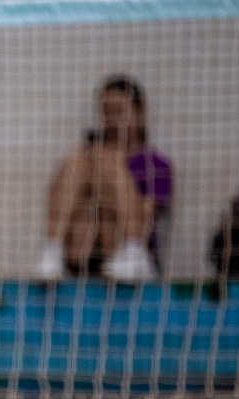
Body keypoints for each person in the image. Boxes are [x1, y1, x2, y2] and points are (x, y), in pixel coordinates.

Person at [38, 76, 172, 280]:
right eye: (107, 113)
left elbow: (147, 214)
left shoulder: (155, 164)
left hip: (120, 244)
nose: (113, 120)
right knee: (75, 162)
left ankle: (133, 252)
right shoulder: (86, 160)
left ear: (139, 111)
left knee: (108, 161)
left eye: (120, 111)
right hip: (83, 251)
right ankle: (51, 252)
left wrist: (111, 176)